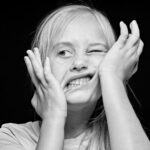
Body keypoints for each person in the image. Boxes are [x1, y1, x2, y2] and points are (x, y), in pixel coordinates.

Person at [0, 4, 150, 150]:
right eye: (63, 52)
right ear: (39, 65)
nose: (79, 63)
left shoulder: (125, 134)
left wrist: (113, 78)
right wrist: (54, 117)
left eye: (94, 51)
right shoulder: (11, 136)